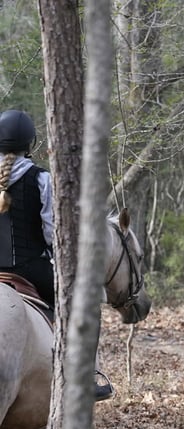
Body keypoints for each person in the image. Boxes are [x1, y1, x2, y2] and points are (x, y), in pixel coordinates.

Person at [0, 109, 112, 401]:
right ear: (30, 143)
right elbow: (52, 232)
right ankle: (86, 377)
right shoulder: (41, 179)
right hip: (29, 269)